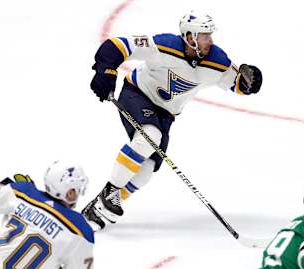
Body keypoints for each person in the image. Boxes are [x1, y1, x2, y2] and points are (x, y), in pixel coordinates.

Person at [83, 10, 263, 229]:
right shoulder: (163, 46)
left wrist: (248, 84)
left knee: (147, 170)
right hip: (136, 94)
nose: (210, 41)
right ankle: (110, 193)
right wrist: (106, 71)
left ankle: (99, 207)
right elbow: (115, 46)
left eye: (209, 36)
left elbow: (236, 83)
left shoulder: (217, 61)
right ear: (189, 37)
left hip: (166, 114)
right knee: (149, 136)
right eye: (204, 36)